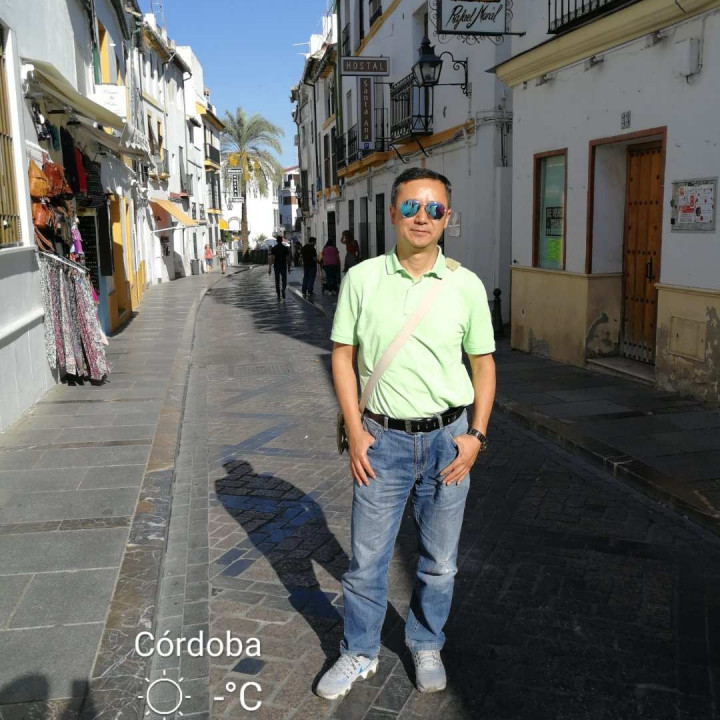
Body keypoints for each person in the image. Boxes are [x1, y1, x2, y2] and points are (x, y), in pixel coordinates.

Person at [316, 167, 496, 700]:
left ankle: (426, 641)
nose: (422, 217)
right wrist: (355, 429)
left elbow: (483, 365)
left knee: (440, 562)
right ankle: (359, 650)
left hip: (449, 442)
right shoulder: (362, 278)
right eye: (412, 207)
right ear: (393, 213)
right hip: (381, 442)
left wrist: (477, 436)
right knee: (367, 562)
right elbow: (342, 357)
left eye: (434, 209)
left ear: (447, 218)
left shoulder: (465, 285)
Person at [268, 235, 290, 299]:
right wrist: (289, 267)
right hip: (283, 266)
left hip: (276, 266)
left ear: (277, 241)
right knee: (284, 280)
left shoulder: (274, 248)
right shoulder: (285, 248)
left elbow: (271, 258)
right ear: (282, 240)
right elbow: (288, 258)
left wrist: (269, 268)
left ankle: (278, 295)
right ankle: (283, 289)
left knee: (277, 281)